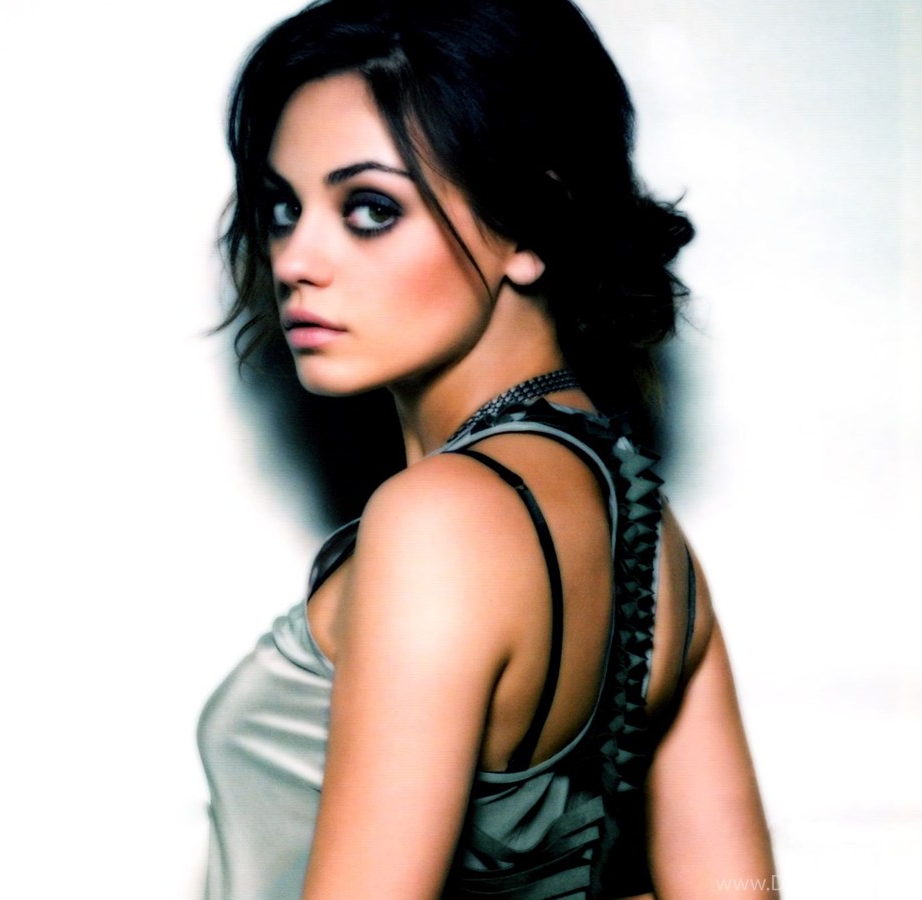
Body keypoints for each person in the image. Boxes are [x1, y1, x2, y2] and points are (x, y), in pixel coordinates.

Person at [197, 1, 776, 897]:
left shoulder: (435, 523)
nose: (294, 259)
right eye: (283, 207)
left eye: (370, 209)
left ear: (532, 224)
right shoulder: (650, 537)